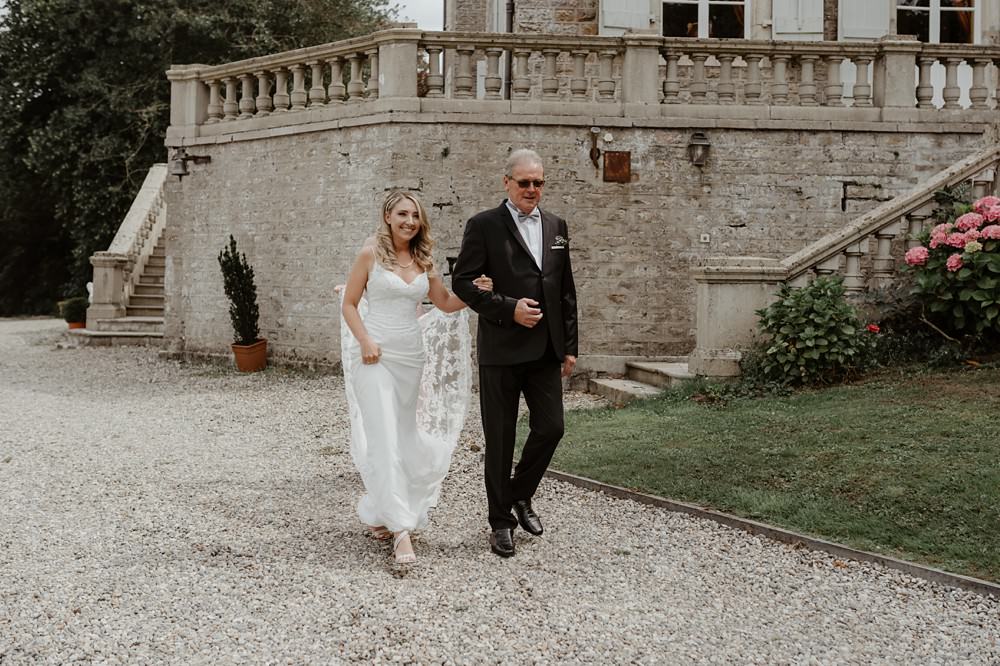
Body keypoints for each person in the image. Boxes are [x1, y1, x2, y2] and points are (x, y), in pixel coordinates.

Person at [340, 190, 491, 565]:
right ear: (388, 216)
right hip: (374, 357)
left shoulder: (424, 260)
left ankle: (380, 510)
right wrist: (365, 340)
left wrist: (476, 293)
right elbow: (349, 304)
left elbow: (445, 303)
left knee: (404, 436)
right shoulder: (370, 254)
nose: (410, 221)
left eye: (415, 215)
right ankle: (400, 530)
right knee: (384, 436)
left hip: (411, 358)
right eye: (403, 214)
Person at [452, 149, 578, 558]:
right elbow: (462, 283)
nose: (531, 189)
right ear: (506, 182)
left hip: (545, 350)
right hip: (501, 350)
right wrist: (509, 308)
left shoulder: (557, 226)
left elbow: (565, 290)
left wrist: (570, 347)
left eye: (538, 182)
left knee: (552, 428)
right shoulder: (483, 225)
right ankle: (500, 523)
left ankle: (519, 493)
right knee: (501, 439)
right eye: (524, 182)